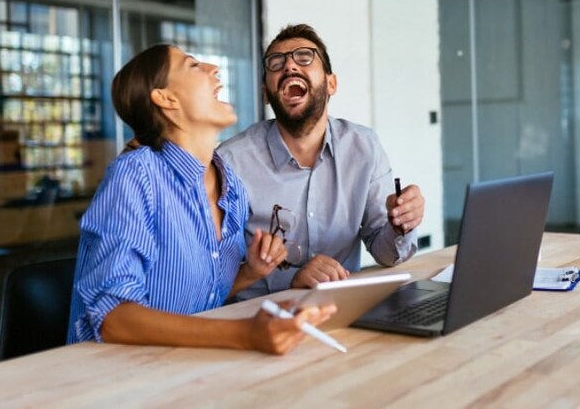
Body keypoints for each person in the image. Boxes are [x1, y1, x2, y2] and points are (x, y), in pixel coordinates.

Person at [67, 44, 334, 355]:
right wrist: (246, 334)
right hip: (112, 379)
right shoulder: (135, 176)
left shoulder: (230, 184)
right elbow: (112, 319)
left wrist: (251, 272)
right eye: (193, 66)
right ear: (166, 99)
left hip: (180, 364)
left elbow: (201, 296)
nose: (214, 69)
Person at [217, 24, 425, 299]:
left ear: (331, 83)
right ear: (266, 93)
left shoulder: (363, 146)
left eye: (304, 57)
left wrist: (400, 225)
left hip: (343, 309)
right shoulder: (231, 161)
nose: (289, 66)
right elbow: (212, 273)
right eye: (276, 62)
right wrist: (290, 279)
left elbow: (385, 253)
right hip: (259, 316)